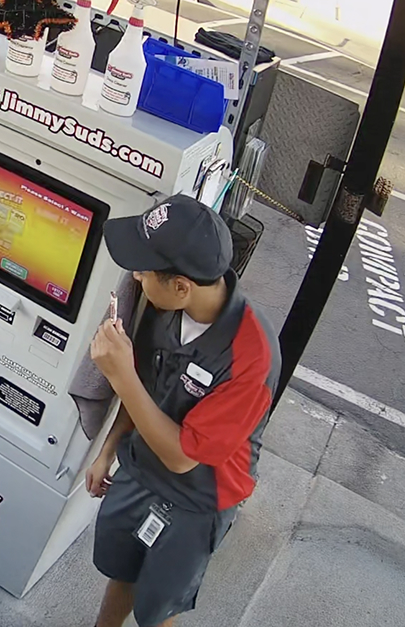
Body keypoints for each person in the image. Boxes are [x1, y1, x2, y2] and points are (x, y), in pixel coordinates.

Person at [85, 194, 282, 627]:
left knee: (157, 608)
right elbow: (149, 390)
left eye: (145, 268)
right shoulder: (162, 306)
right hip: (141, 467)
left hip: (199, 497)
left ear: (181, 286)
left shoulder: (252, 356)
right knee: (122, 571)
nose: (135, 275)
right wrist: (108, 450)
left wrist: (120, 375)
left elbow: (182, 455)